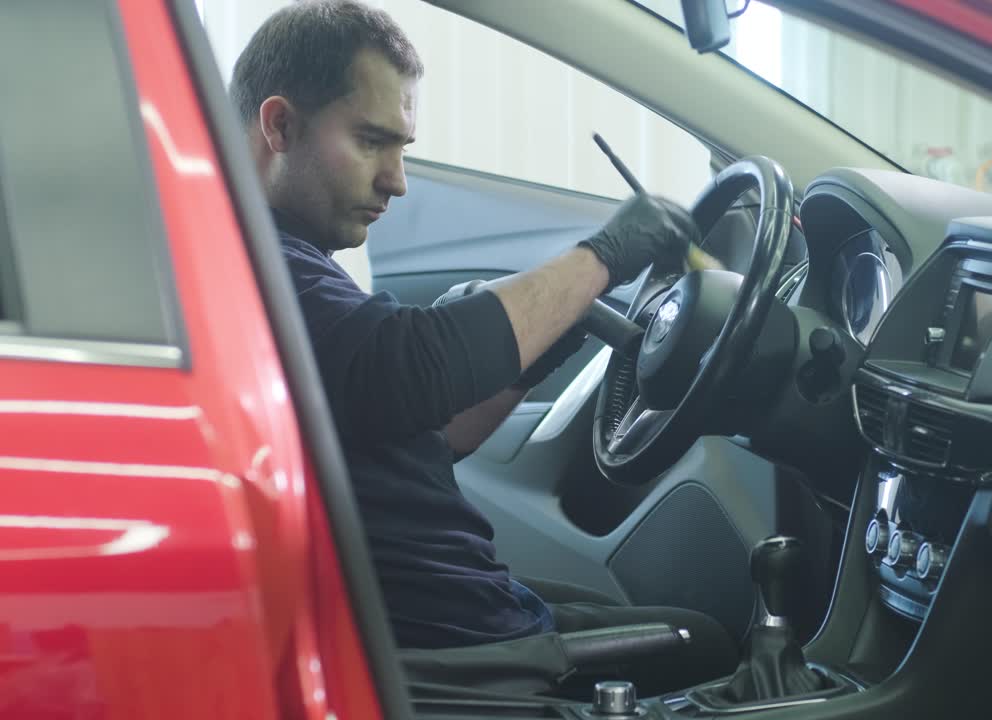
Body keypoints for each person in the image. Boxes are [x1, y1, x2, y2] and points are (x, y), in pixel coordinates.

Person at [229, 0, 737, 694]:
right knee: (707, 647)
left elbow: (422, 430)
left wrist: (547, 342)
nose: (396, 180)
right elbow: (412, 365)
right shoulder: (258, 266)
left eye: (402, 148)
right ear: (280, 125)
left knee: (620, 613)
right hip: (457, 651)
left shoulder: (280, 257)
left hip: (452, 615)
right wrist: (605, 257)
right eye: (372, 141)